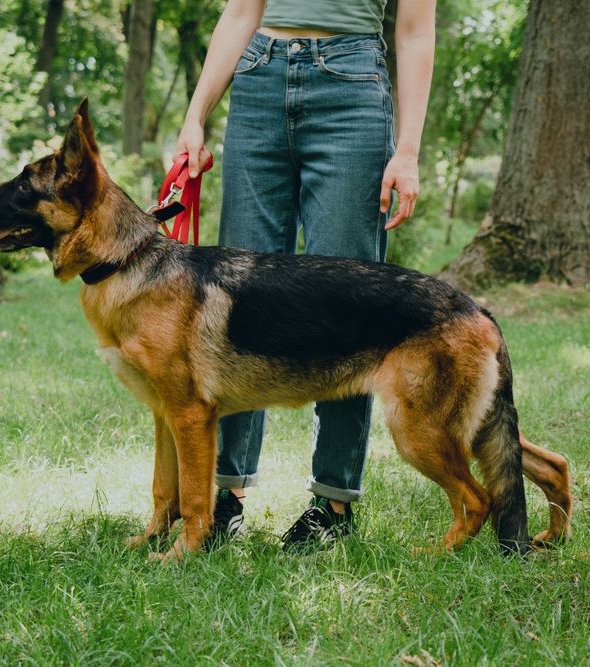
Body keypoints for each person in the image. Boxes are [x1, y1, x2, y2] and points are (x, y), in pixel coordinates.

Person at [176, 0, 436, 549]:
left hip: (352, 86)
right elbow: (241, 10)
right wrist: (195, 117)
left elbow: (414, 31)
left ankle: (333, 502)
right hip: (257, 78)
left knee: (349, 307)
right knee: (236, 298)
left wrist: (407, 150)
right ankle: (224, 494)